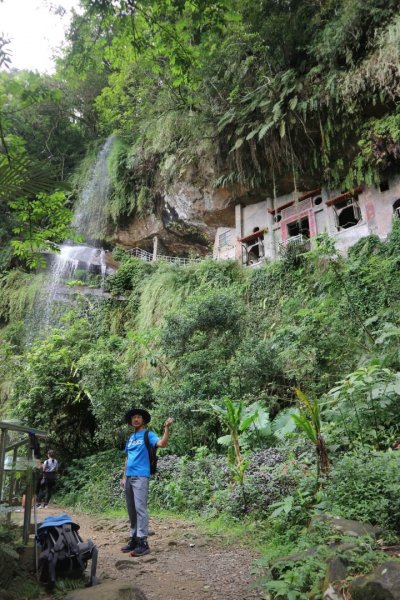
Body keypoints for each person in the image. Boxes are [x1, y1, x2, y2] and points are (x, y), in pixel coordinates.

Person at [121, 408, 174, 557]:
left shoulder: (148, 434)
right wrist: (124, 476)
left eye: (138, 417)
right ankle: (134, 539)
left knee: (140, 509)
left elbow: (162, 444)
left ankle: (143, 542)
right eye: (133, 418)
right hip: (129, 477)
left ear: (143, 420)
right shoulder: (130, 437)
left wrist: (166, 428)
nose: (135, 419)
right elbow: (127, 457)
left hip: (141, 476)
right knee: (131, 510)